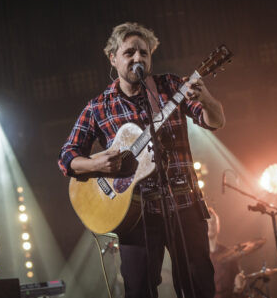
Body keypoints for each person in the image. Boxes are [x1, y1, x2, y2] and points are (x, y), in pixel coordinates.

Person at [58, 22, 225, 298]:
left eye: (144, 53)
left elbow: (215, 122)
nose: (138, 58)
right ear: (113, 58)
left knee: (200, 287)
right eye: (130, 53)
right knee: (138, 292)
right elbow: (67, 158)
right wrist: (97, 165)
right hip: (135, 217)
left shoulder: (171, 86)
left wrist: (206, 99)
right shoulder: (99, 107)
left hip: (183, 204)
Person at [207, 208, 247, 298]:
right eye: (208, 223)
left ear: (218, 226)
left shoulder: (228, 253)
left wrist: (239, 287)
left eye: (213, 223)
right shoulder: (199, 256)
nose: (211, 226)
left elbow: (238, 289)